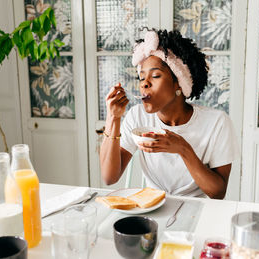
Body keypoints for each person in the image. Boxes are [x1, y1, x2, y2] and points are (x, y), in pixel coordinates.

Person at [100, 29, 239, 199]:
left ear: (179, 83)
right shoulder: (137, 117)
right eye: (141, 78)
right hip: (152, 208)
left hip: (197, 210)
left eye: (156, 75)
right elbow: (109, 178)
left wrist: (182, 148)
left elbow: (218, 192)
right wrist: (112, 118)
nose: (144, 84)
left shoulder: (217, 123)